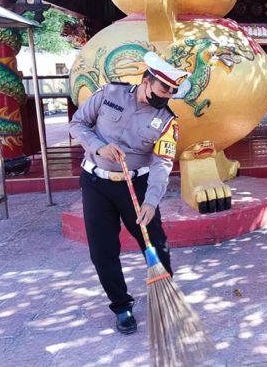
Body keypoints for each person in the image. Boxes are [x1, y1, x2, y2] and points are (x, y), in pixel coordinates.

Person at [69, 52, 189, 334]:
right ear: (147, 81)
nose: (168, 95)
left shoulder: (168, 120)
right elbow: (77, 123)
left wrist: (151, 201)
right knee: (102, 251)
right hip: (96, 183)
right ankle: (121, 306)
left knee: (156, 244)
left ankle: (164, 301)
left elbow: (162, 163)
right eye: (164, 89)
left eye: (172, 91)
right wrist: (98, 146)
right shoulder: (110, 93)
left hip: (136, 185)